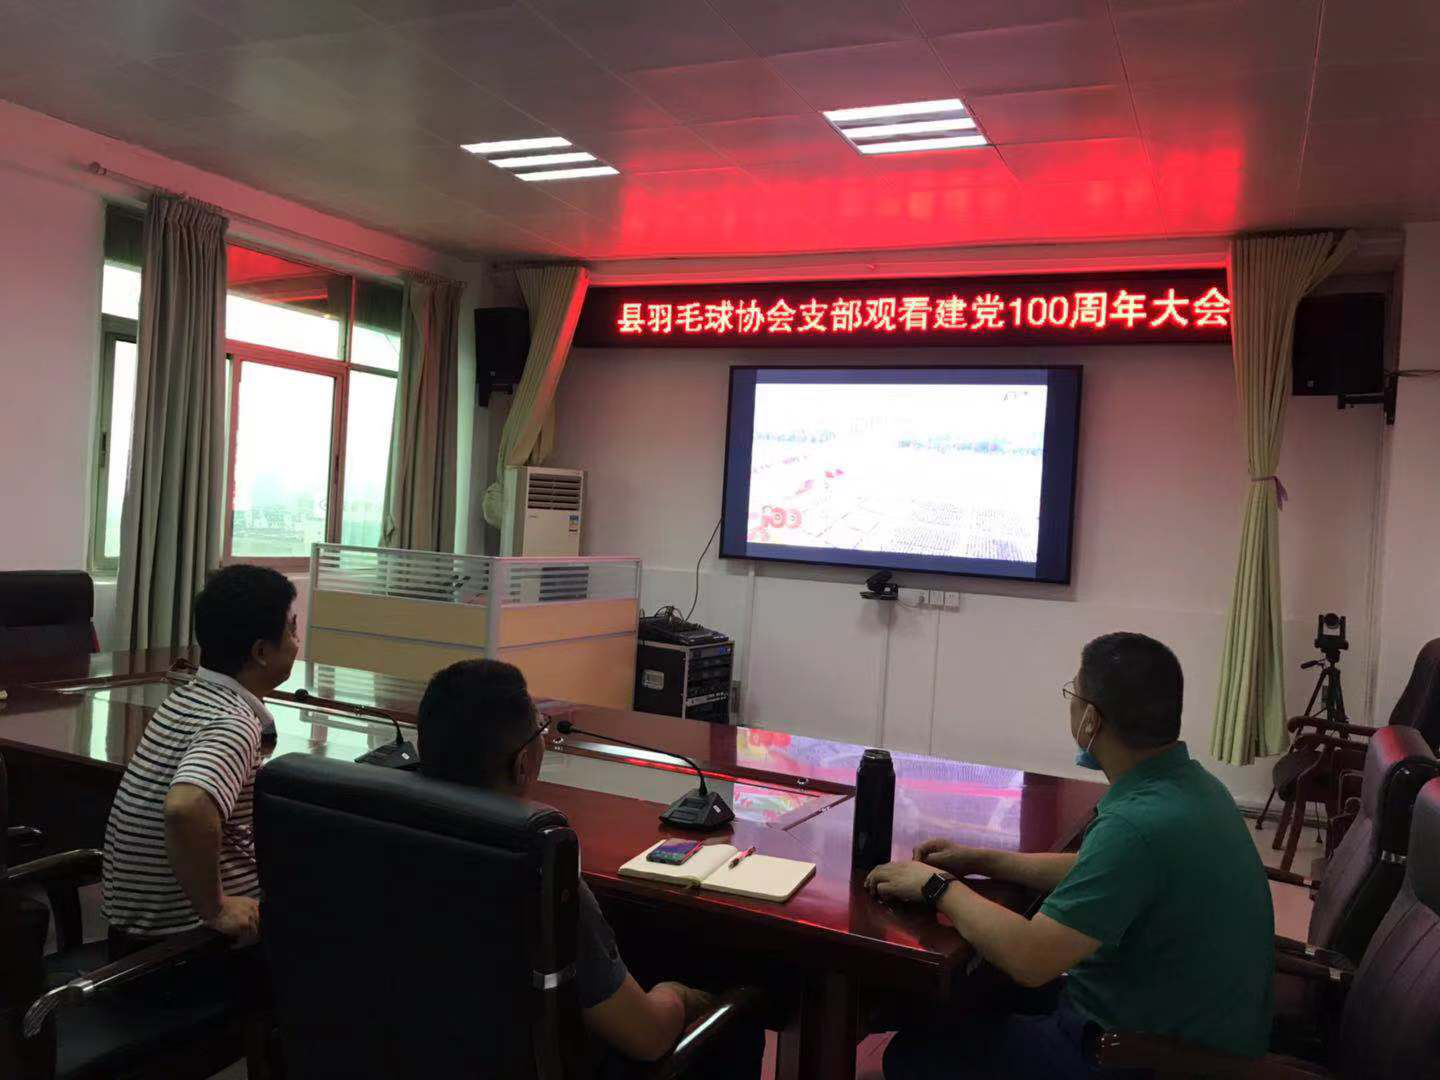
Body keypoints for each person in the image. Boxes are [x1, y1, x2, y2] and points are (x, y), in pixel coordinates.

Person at [866, 632, 1274, 1079]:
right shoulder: (1192, 788)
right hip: (1174, 1021)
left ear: (1091, 721)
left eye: (1073, 694)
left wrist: (936, 887)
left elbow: (1031, 959)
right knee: (961, 992)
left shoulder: (1135, 827)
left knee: (912, 1055)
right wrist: (981, 859)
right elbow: (1095, 870)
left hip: (1135, 1055)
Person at [417, 659, 763, 1077]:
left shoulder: (382, 834)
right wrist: (677, 995)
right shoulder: (540, 869)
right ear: (523, 764)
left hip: (420, 1051)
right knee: (740, 1009)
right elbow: (648, 1038)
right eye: (540, 730)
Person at [102, 564, 299, 949]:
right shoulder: (232, 723)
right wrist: (215, 908)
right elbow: (186, 808)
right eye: (292, 630)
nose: (297, 642)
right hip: (186, 948)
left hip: (137, 934)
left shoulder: (186, 699)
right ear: (261, 652)